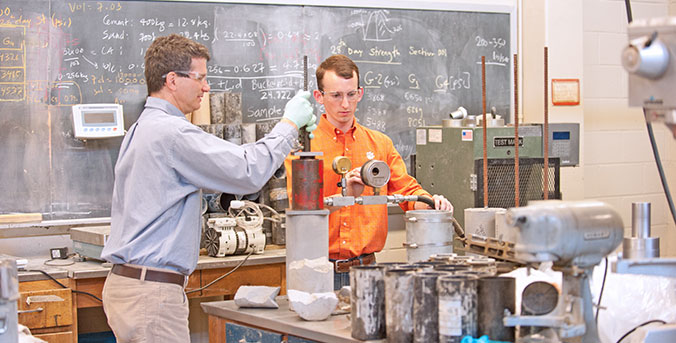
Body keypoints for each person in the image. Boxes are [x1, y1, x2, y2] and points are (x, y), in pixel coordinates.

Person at [100, 34, 316, 342]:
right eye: (200, 78)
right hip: (152, 295)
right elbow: (248, 170)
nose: (206, 87)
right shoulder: (173, 133)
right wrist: (289, 125)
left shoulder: (142, 128)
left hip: (133, 287)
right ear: (172, 80)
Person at [284, 54, 452, 290]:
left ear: (360, 93)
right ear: (319, 97)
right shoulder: (303, 146)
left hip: (368, 271)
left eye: (351, 94)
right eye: (336, 96)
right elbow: (300, 212)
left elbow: (409, 193)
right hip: (316, 272)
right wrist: (345, 198)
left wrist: (432, 203)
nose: (345, 104)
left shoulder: (379, 144)